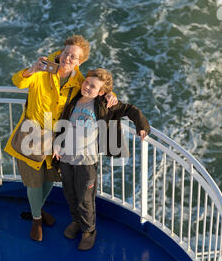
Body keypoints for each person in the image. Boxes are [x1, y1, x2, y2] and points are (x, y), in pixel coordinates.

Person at [4, 35, 117, 242]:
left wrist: (110, 95)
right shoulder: (42, 69)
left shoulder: (78, 82)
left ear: (80, 62)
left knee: (48, 181)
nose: (67, 58)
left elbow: (95, 89)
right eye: (66, 53)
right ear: (61, 52)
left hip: (56, 138)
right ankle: (36, 220)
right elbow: (18, 81)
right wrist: (32, 70)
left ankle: (37, 209)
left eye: (73, 57)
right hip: (32, 135)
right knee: (33, 183)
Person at [53, 68, 150, 250]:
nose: (87, 87)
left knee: (84, 198)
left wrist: (142, 125)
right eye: (86, 83)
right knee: (69, 193)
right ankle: (76, 221)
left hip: (86, 162)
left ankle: (89, 230)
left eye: (93, 86)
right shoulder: (74, 99)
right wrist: (57, 145)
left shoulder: (103, 104)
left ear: (101, 92)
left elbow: (130, 109)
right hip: (66, 158)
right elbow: (64, 124)